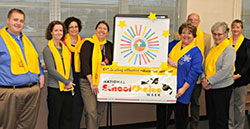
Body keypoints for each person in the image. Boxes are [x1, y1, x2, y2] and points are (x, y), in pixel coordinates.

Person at [0, 8, 44, 129]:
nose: (18, 23)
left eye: (21, 21)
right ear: (8, 20)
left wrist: (41, 74)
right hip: (10, 92)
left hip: (32, 92)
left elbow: (36, 60)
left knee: (28, 126)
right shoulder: (1, 39)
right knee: (7, 126)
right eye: (15, 20)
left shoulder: (27, 41)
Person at [174, 13, 211, 129]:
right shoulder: (177, 35)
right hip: (179, 76)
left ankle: (194, 125)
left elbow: (205, 58)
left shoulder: (206, 37)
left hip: (196, 77)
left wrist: (204, 76)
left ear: (199, 22)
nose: (192, 22)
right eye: (190, 19)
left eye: (195, 20)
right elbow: (174, 53)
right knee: (180, 105)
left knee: (195, 102)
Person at [165, 22, 203, 129]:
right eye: (183, 32)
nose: (186, 35)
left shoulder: (196, 52)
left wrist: (183, 89)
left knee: (181, 117)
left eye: (189, 33)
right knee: (164, 115)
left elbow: (194, 73)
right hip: (167, 86)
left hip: (183, 88)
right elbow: (161, 54)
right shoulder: (173, 45)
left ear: (194, 35)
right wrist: (169, 60)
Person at [202, 22, 236, 129]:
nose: (216, 37)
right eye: (214, 34)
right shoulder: (212, 49)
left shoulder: (229, 50)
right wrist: (203, 78)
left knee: (221, 119)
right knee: (212, 117)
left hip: (222, 89)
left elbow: (225, 70)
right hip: (209, 88)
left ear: (226, 34)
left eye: (219, 34)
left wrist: (209, 81)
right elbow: (204, 65)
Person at [80, 21, 113, 129]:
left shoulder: (109, 45)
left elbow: (113, 63)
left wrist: (105, 64)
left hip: (103, 82)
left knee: (99, 111)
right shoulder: (87, 43)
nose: (101, 30)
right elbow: (85, 65)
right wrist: (92, 83)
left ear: (107, 32)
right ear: (95, 30)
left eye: (104, 29)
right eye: (99, 28)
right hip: (87, 81)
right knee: (91, 111)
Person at [43, 21, 74, 129]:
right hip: (55, 89)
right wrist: (66, 81)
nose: (58, 32)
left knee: (66, 118)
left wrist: (70, 81)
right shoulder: (47, 50)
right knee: (55, 118)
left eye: (61, 30)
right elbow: (51, 70)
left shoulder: (65, 49)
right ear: (51, 32)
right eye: (56, 30)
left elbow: (69, 67)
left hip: (67, 89)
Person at [228, 19, 250, 129]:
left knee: (239, 106)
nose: (235, 29)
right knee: (229, 105)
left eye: (238, 27)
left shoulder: (247, 43)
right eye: (233, 27)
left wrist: (239, 75)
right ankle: (230, 126)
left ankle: (239, 127)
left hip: (242, 79)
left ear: (241, 29)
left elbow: (248, 62)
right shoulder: (226, 42)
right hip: (227, 79)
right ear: (231, 29)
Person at [64, 16, 84, 129]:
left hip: (79, 77)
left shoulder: (83, 42)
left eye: (76, 26)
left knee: (78, 106)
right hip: (66, 77)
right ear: (67, 29)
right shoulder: (62, 43)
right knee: (67, 107)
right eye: (71, 27)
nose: (74, 29)